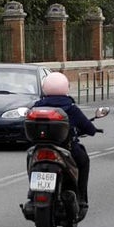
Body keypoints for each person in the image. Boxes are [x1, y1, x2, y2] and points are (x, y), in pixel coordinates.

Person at [32, 72, 100, 218]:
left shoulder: (37, 107)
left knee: (31, 162)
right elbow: (87, 127)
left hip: (40, 149)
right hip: (67, 149)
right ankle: (81, 198)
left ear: (45, 88)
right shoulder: (70, 107)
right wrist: (93, 129)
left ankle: (32, 192)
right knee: (84, 162)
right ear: (66, 88)